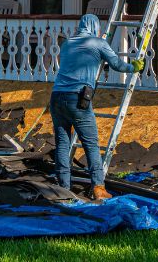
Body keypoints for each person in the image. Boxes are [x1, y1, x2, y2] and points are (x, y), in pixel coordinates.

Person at [50, 13, 144, 201]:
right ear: (94, 27)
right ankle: (98, 188)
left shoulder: (68, 43)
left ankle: (63, 189)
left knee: (62, 143)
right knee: (91, 144)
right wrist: (134, 67)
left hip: (56, 96)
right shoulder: (99, 44)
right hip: (77, 98)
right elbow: (116, 64)